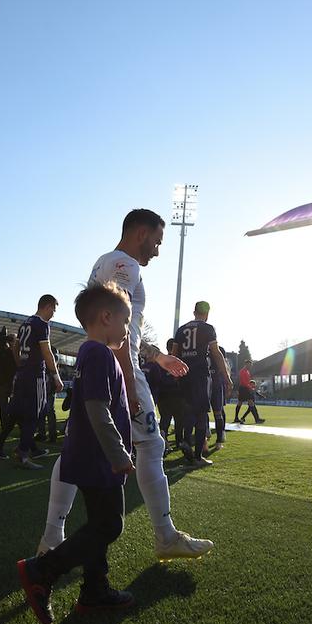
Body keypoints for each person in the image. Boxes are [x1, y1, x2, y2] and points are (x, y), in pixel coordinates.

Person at [38, 208, 213, 561]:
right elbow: (115, 326)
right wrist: (129, 387)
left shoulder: (105, 262)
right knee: (151, 444)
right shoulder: (125, 266)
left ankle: (51, 540)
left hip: (105, 365)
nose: (157, 251)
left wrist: (156, 356)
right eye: (157, 241)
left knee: (76, 448)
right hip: (119, 370)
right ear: (141, 233)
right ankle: (165, 536)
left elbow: (120, 328)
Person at [17, 281, 136, 624]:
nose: (128, 330)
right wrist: (117, 454)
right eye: (125, 322)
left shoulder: (92, 353)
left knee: (99, 524)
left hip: (88, 455)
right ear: (105, 317)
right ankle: (42, 570)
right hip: (100, 458)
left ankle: (95, 590)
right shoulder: (99, 354)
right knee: (110, 524)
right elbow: (98, 410)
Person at [1, 295, 63, 469]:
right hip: (36, 375)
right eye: (54, 309)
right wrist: (56, 376)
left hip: (22, 374)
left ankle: (20, 448)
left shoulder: (25, 323)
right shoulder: (42, 324)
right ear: (48, 306)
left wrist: (19, 363)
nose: (54, 314)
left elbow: (16, 347)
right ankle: (22, 453)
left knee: (19, 411)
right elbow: (47, 352)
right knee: (36, 413)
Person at [176, 301, 233, 466]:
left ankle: (186, 440)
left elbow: (174, 353)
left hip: (184, 374)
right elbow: (216, 353)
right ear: (207, 314)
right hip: (200, 374)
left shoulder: (181, 329)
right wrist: (226, 377)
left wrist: (176, 375)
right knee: (201, 414)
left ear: (194, 312)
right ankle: (198, 456)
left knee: (188, 411)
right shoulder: (208, 329)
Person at [0, 328, 17, 453]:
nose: (14, 343)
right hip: (2, 384)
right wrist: (0, 341)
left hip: (13, 385)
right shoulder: (3, 352)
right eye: (12, 340)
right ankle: (4, 431)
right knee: (3, 408)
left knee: (12, 410)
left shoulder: (17, 353)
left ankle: (6, 432)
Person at [208, 345, 231, 451]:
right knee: (203, 412)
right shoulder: (203, 349)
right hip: (207, 384)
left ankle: (219, 438)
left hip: (217, 385)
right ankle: (207, 434)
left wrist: (227, 382)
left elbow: (225, 366)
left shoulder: (219, 350)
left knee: (219, 411)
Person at [36, 345, 60, 443]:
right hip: (44, 388)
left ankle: (51, 435)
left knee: (48, 412)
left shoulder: (52, 356)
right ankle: (43, 434)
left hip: (49, 389)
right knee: (43, 412)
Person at [233, 360, 265, 425]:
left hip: (244, 388)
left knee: (241, 403)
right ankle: (257, 419)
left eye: (251, 365)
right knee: (249, 403)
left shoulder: (247, 371)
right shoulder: (243, 371)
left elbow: (247, 381)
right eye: (250, 365)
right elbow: (244, 382)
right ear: (246, 364)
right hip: (244, 388)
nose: (250, 366)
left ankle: (237, 418)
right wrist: (250, 387)